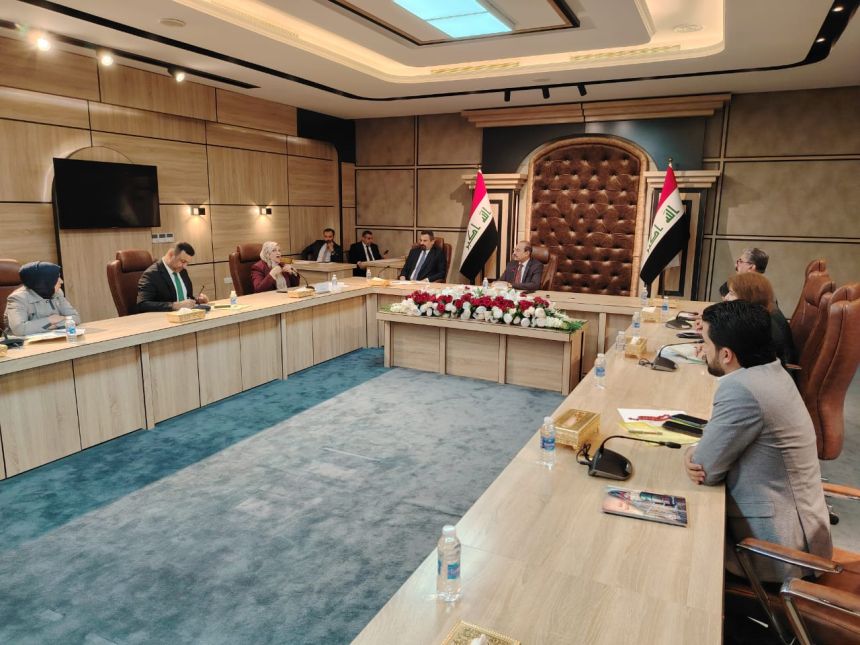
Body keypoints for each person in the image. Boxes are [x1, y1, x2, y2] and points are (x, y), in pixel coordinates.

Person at [684, 300, 831, 583]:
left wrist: (688, 453)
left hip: (777, 554)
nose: (702, 350)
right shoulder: (773, 370)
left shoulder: (742, 389)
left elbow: (705, 469)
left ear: (726, 354)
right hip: (804, 534)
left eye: (706, 343)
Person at [725, 272, 796, 366]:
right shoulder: (760, 316)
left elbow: (737, 362)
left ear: (747, 297)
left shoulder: (757, 328)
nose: (726, 298)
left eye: (731, 293)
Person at [5, 261, 80, 336]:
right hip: (23, 342)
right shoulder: (17, 298)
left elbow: (75, 318)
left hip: (53, 338)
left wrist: (52, 325)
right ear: (43, 282)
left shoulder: (57, 292)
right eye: (56, 278)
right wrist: (50, 320)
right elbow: (19, 329)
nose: (61, 281)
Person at [137, 242, 209, 313]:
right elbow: (142, 304)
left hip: (187, 316)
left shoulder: (182, 271)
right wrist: (174, 306)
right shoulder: (151, 274)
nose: (185, 266)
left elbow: (185, 298)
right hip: (164, 318)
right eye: (183, 261)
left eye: (187, 263)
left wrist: (196, 300)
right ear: (171, 255)